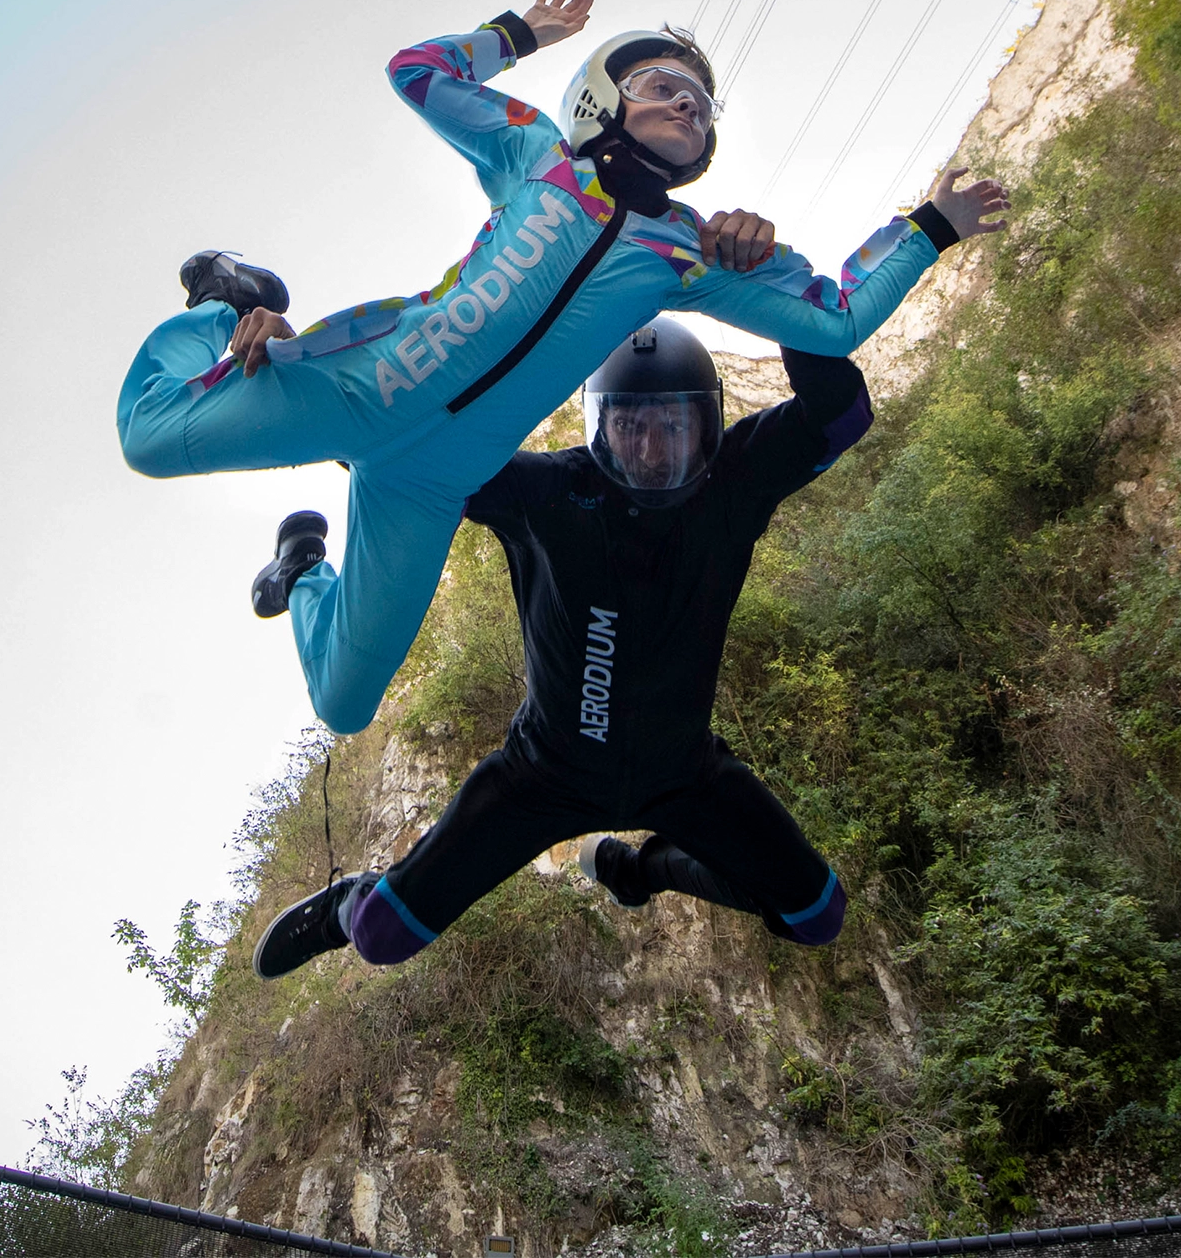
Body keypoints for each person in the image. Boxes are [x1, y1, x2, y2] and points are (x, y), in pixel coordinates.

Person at [118, 0, 1008, 737]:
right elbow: (416, 71)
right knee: (149, 439)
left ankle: (303, 570)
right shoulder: (534, 154)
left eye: (702, 103)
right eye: (664, 84)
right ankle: (226, 307)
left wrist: (928, 229)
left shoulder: (688, 251)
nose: (688, 103)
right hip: (361, 387)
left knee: (346, 704)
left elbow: (837, 319)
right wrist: (519, 34)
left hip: (435, 481)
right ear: (604, 99)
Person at [252, 319, 873, 979]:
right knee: (380, 933)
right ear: (601, 427)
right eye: (632, 424)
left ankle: (638, 869)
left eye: (673, 424)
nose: (652, 447)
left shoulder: (736, 481)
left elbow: (843, 410)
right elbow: (396, 448)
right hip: (541, 777)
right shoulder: (548, 493)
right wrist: (300, 361)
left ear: (708, 426)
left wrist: (775, 299)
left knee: (818, 915)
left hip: (686, 776)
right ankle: (303, 572)